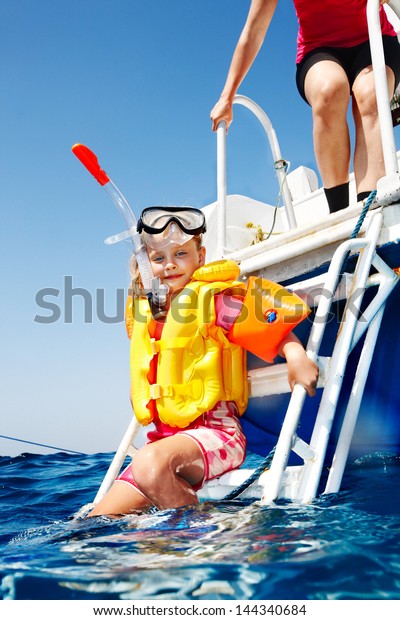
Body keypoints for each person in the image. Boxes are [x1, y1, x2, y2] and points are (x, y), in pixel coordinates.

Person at [89, 206, 319, 517]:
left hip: (218, 435)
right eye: (158, 259)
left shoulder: (214, 301)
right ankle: (166, 542)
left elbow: (267, 329)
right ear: (145, 265)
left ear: (201, 256)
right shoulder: (147, 313)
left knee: (150, 464)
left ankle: (200, 538)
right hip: (162, 444)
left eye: (180, 254)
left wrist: (296, 356)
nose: (169, 264)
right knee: (95, 523)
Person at [210, 0, 400, 214]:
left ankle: (372, 210)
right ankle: (340, 214)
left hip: (374, 35)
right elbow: (254, 31)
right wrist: (227, 96)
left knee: (371, 94)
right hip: (320, 50)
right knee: (328, 91)